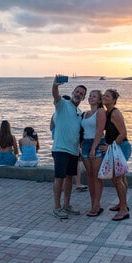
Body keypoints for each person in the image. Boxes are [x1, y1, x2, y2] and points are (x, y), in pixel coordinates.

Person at [51, 76, 87, 219]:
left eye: (81, 94)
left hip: (73, 151)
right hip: (60, 149)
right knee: (59, 178)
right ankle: (57, 207)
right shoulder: (63, 104)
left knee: (69, 179)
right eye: (77, 91)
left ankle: (66, 205)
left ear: (83, 98)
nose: (78, 94)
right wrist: (55, 85)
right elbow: (56, 95)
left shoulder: (79, 113)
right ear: (72, 92)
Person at [100, 89, 131, 221]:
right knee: (120, 178)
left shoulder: (115, 113)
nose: (104, 97)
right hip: (117, 147)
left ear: (114, 100)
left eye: (108, 96)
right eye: (104, 95)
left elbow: (123, 133)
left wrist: (111, 147)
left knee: (117, 179)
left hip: (120, 147)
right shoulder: (107, 112)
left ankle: (124, 210)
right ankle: (122, 204)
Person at [81, 90, 107, 217]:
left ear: (99, 100)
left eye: (94, 96)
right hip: (85, 144)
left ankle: (97, 205)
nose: (91, 98)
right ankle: (93, 203)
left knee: (96, 176)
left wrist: (93, 148)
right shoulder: (85, 113)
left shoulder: (100, 112)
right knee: (90, 175)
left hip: (96, 144)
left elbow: (100, 130)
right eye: (90, 96)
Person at [51, 108, 87, 191]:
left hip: (59, 144)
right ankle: (77, 184)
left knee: (61, 172)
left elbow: (51, 127)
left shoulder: (55, 114)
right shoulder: (75, 113)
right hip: (67, 146)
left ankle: (63, 187)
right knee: (68, 172)